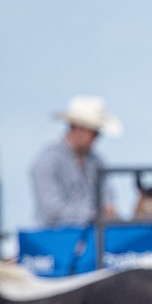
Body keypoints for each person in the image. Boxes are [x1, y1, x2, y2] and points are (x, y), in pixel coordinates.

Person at [31, 95, 122, 227]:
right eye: (94, 133)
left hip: (94, 234)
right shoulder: (47, 161)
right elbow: (52, 210)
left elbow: (108, 196)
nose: (96, 139)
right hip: (54, 237)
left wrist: (107, 211)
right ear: (78, 129)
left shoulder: (97, 162)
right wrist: (92, 215)